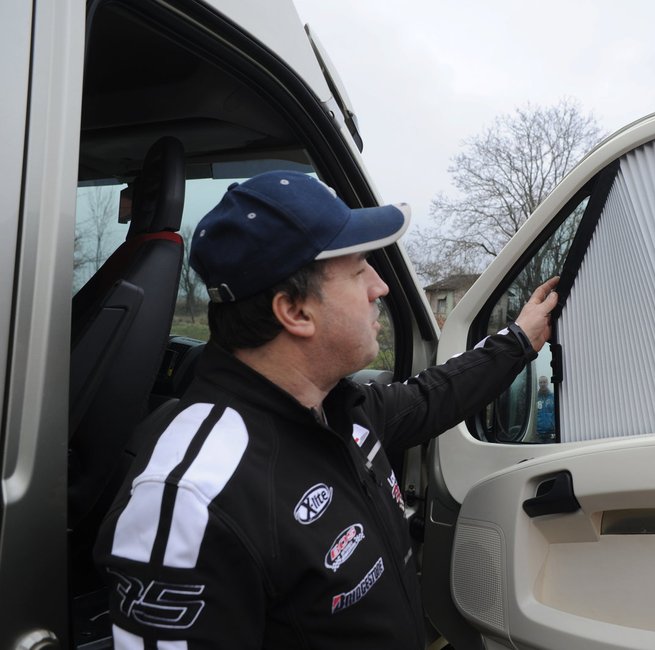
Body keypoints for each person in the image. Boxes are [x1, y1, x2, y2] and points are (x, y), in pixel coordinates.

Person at [94, 171, 558, 649]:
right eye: (359, 269)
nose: (380, 287)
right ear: (294, 311)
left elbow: (428, 397)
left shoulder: (335, 405)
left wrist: (518, 341)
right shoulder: (193, 498)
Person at [536, 375, 555, 441]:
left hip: (551, 433)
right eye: (540, 382)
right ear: (538, 384)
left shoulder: (553, 397)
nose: (542, 384)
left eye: (544, 382)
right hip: (537, 434)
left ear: (547, 383)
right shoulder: (535, 398)